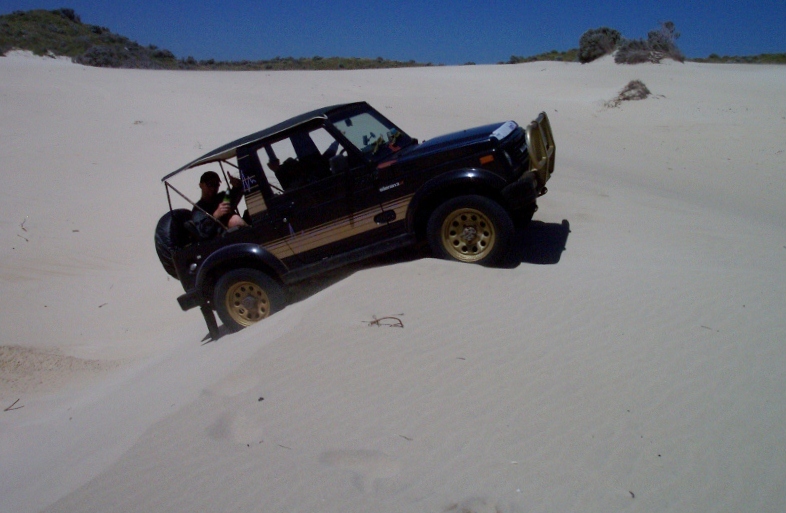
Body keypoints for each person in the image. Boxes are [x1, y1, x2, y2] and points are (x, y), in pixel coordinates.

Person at [192, 170, 247, 239]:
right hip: (219, 240)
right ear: (201, 185)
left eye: (216, 185)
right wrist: (215, 216)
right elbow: (203, 232)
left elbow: (234, 197)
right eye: (210, 184)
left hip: (235, 233)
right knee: (234, 220)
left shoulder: (221, 197)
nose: (213, 188)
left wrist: (237, 186)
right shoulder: (198, 209)